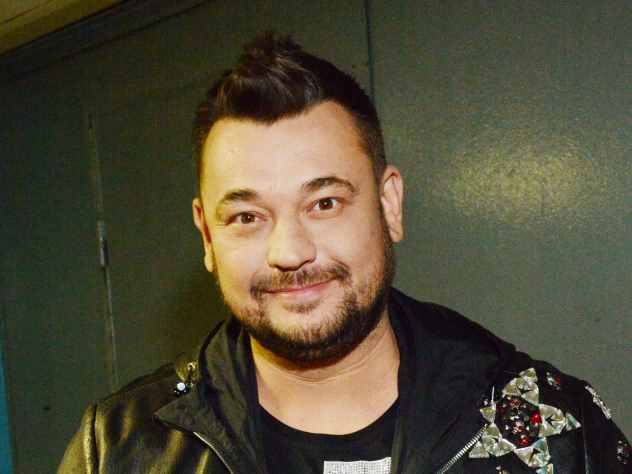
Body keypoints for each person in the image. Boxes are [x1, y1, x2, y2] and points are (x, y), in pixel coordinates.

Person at [58, 32, 629, 474]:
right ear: (208, 237)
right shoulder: (118, 448)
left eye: (324, 203)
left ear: (389, 205)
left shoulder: (556, 428)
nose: (290, 252)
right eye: (247, 217)